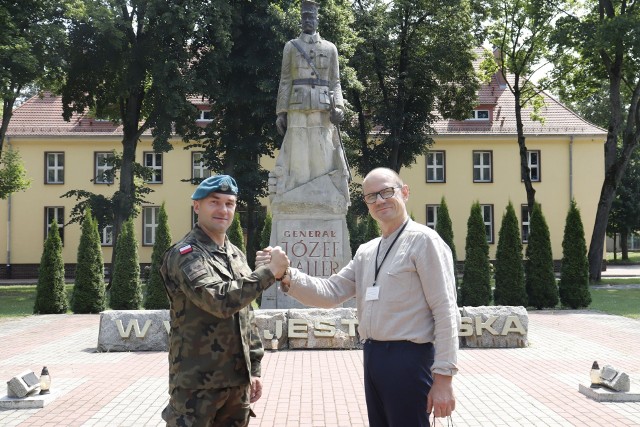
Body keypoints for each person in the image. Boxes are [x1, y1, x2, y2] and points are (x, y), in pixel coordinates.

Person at [258, 167, 460, 426]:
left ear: (405, 192)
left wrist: (444, 378)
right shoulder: (367, 251)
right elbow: (330, 293)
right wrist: (286, 274)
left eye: (387, 191)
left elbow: (445, 310)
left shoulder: (424, 241)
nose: (380, 200)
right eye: (371, 196)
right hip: (373, 357)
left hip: (410, 359)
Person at [160, 174, 289, 427]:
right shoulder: (186, 254)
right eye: (214, 202)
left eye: (229, 203)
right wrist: (268, 273)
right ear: (197, 206)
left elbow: (246, 316)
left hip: (237, 384)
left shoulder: (235, 254)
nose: (223, 209)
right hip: (196, 386)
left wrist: (254, 369)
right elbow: (218, 300)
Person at [272, 0, 349, 200]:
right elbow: (285, 80)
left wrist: (339, 106)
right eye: (304, 17)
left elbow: (335, 81)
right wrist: (281, 111)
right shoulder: (291, 47)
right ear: (301, 20)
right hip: (296, 106)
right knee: (298, 152)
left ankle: (322, 195)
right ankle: (296, 196)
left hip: (322, 107)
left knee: (321, 151)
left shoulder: (330, 48)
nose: (307, 20)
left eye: (311, 16)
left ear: (317, 19)